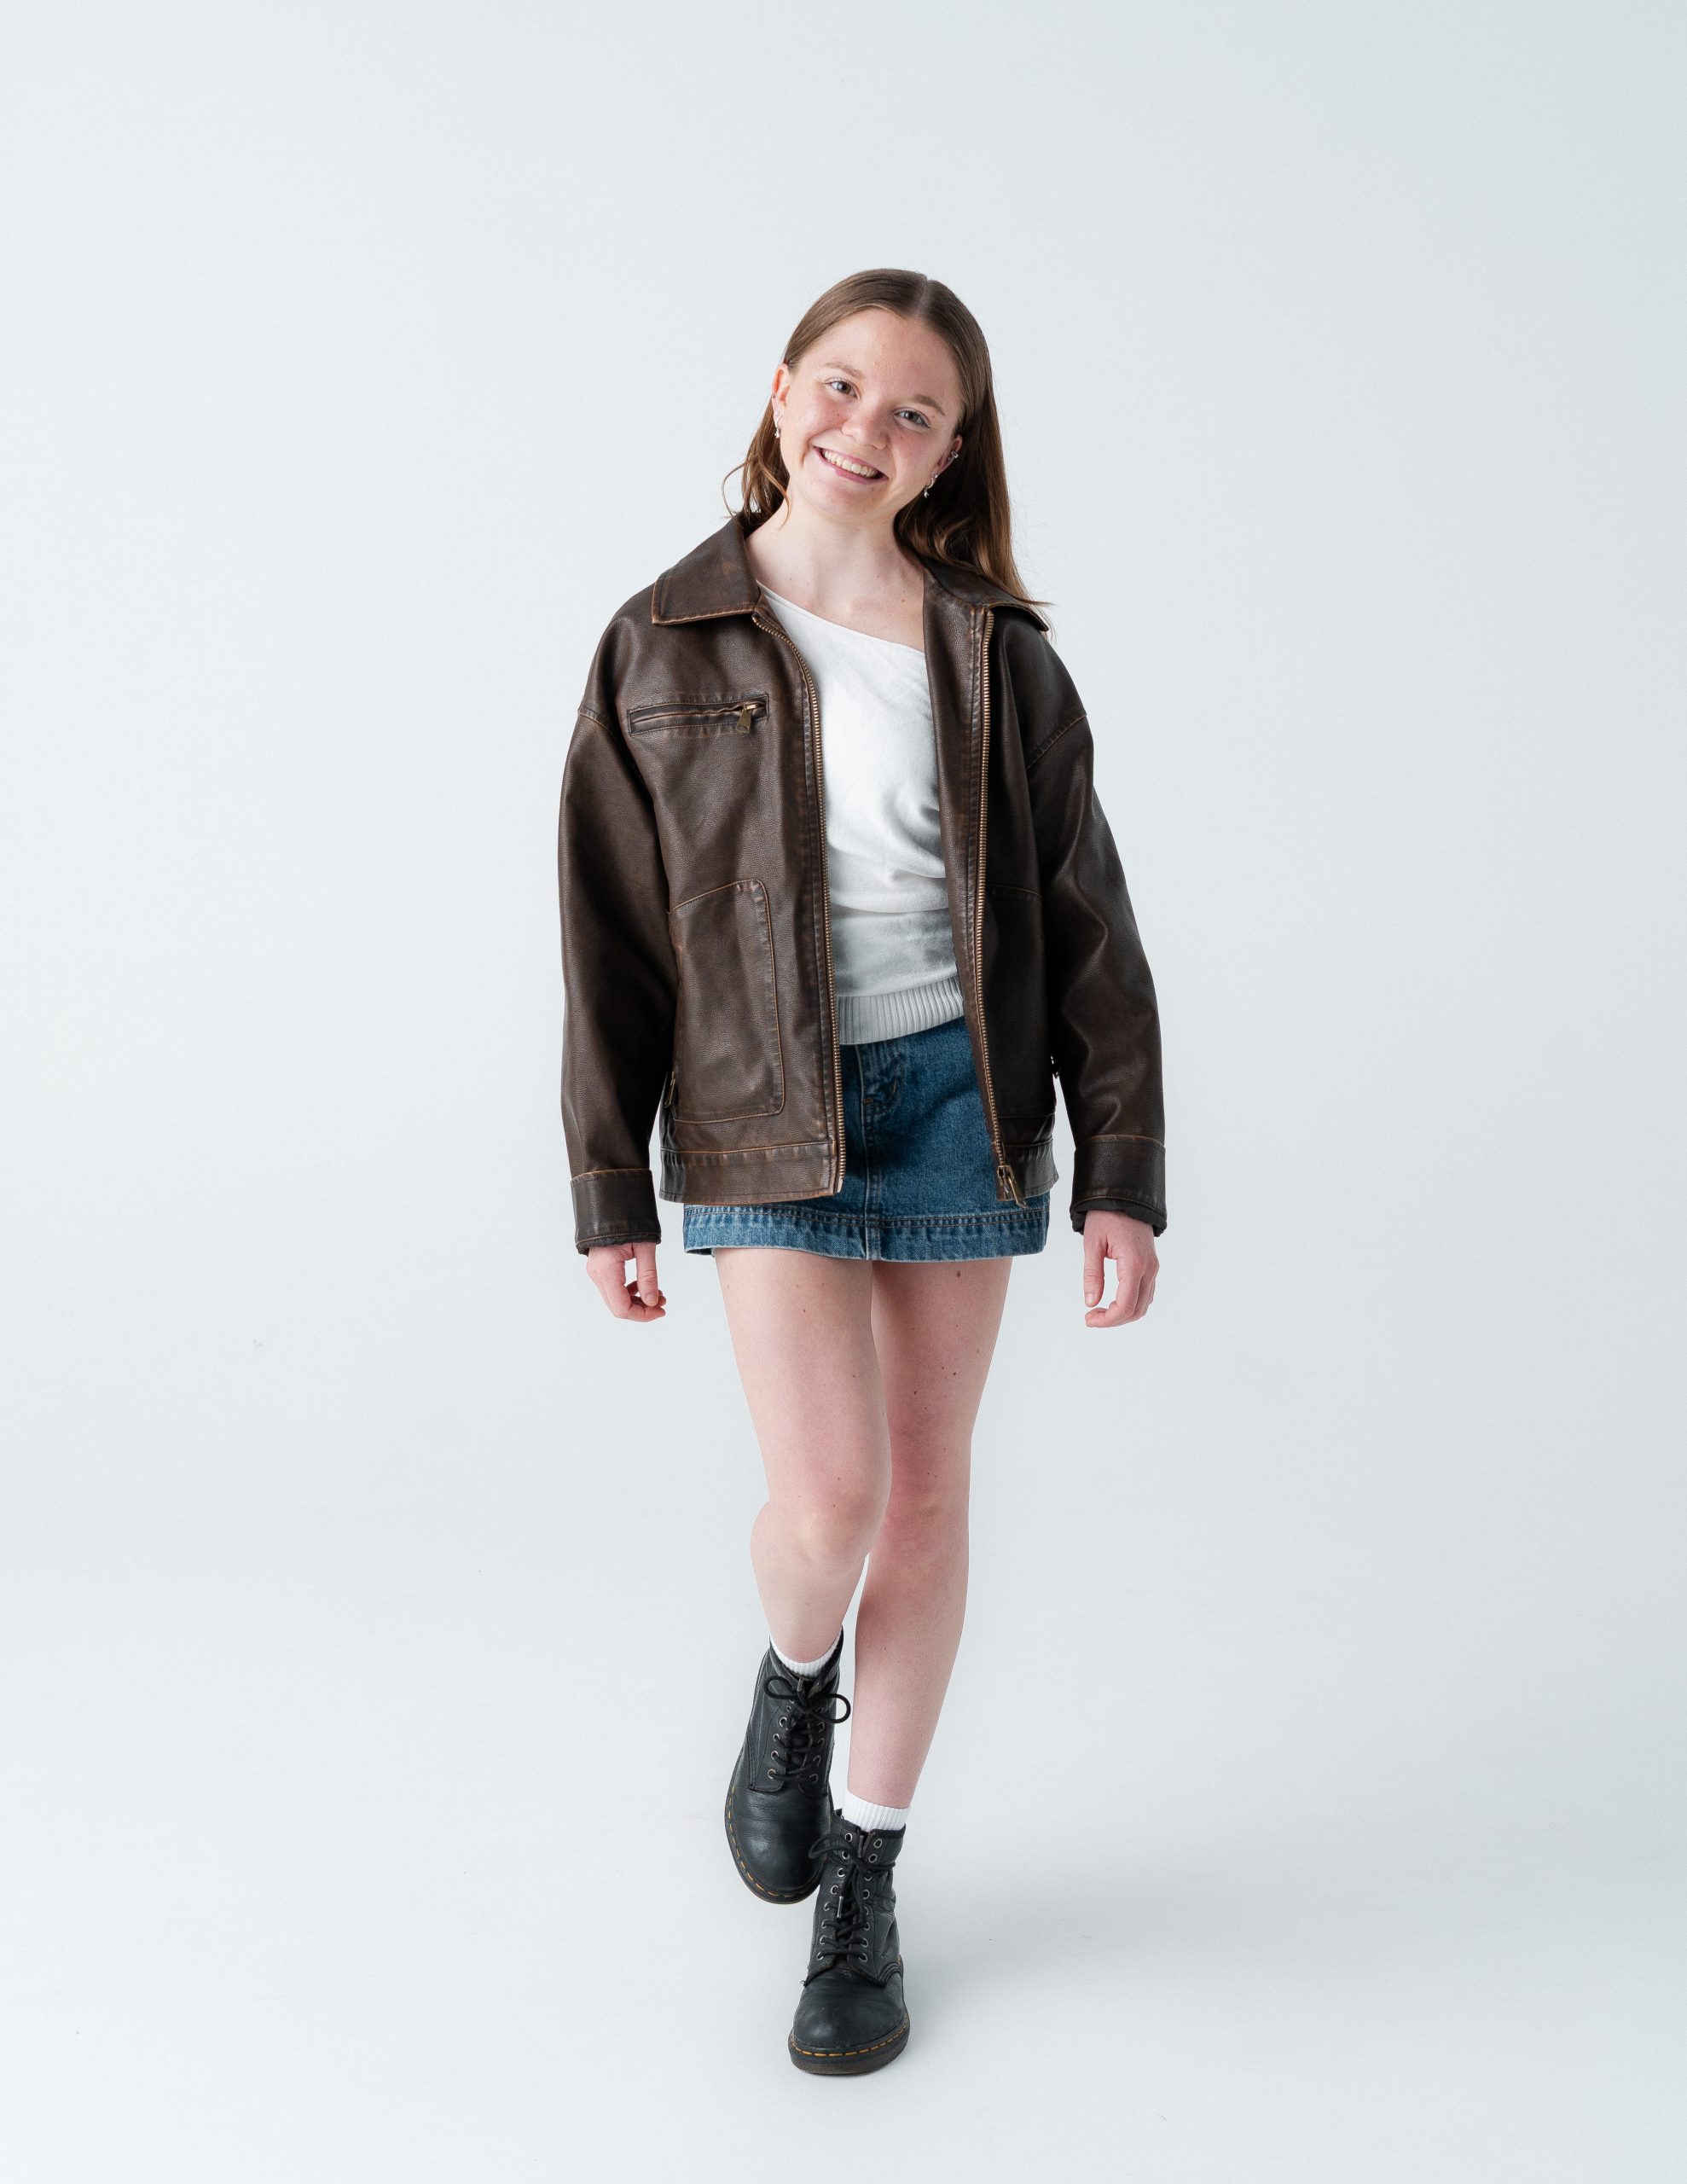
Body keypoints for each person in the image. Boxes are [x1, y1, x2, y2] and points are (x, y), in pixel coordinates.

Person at [557, 268, 1165, 2075]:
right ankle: (792, 1673)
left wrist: (1119, 1165)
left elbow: (1086, 918)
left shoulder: (994, 652)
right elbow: (607, 934)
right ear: (780, 391)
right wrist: (607, 1181)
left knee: (921, 1506)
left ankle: (865, 1883)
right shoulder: (661, 639)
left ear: (949, 451)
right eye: (839, 387)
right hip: (761, 1107)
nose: (862, 431)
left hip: (958, 1102)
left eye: (911, 411)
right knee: (824, 1505)